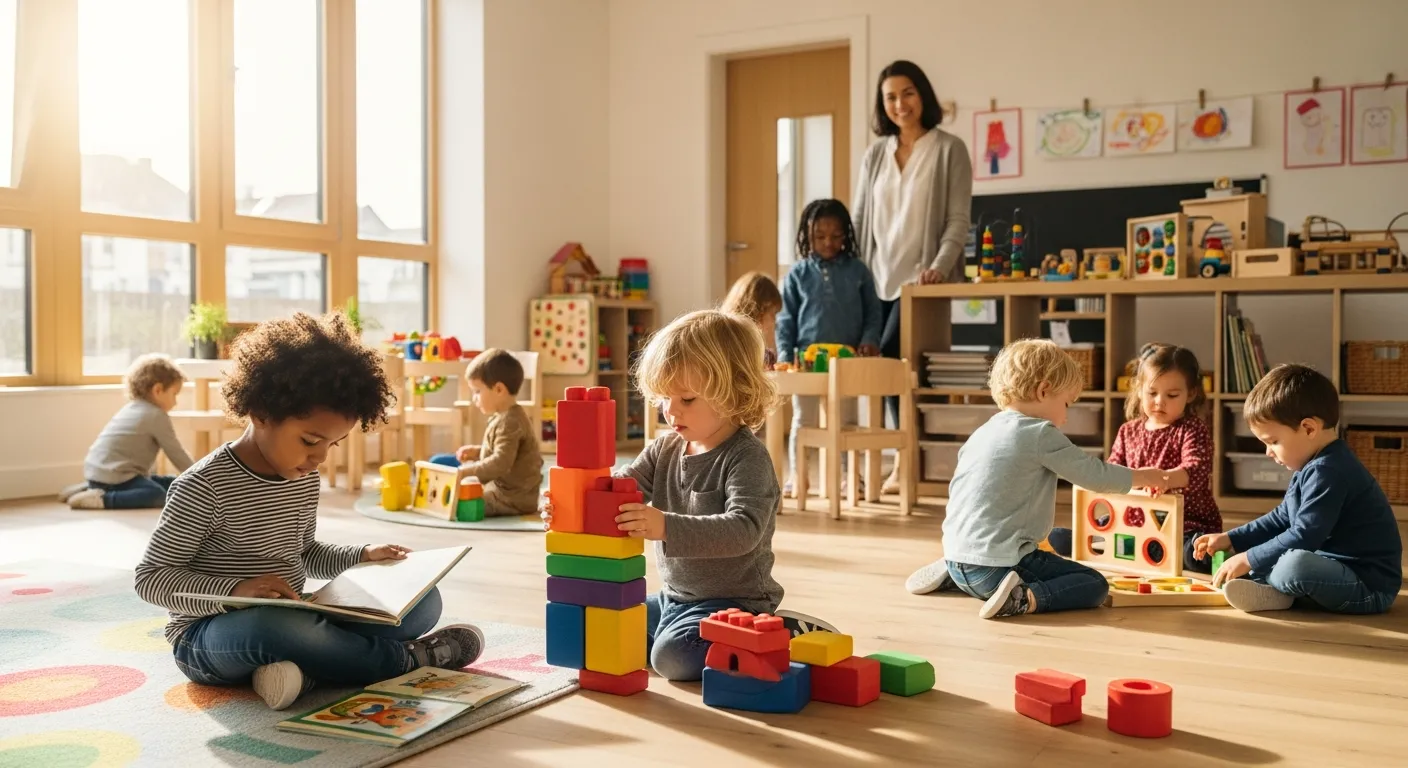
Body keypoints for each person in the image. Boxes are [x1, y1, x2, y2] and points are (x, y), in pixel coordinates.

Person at [134, 312, 483, 711]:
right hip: (210, 635)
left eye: (332, 446)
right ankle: (403, 661)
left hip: (301, 615)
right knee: (275, 627)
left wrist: (362, 557)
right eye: (310, 440)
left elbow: (303, 552)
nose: (318, 458)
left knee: (424, 602)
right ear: (261, 412)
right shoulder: (202, 487)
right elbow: (151, 579)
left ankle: (308, 672)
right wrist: (235, 592)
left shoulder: (303, 477)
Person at [542, 310, 836, 680]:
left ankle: (777, 634)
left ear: (733, 394)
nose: (669, 410)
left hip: (734, 602)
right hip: (674, 598)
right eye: (664, 397)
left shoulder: (747, 457)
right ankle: (678, 635)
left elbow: (744, 530)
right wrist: (567, 503)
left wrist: (664, 525)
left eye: (687, 399)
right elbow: (616, 489)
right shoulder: (664, 449)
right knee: (603, 622)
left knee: (672, 659)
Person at [904, 339, 1170, 618]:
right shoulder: (1039, 433)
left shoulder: (984, 431)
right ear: (1044, 391)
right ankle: (1022, 599)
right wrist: (1143, 476)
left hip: (958, 557)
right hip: (997, 568)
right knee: (1094, 585)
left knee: (1003, 561)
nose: (1066, 417)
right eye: (1066, 404)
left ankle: (954, 575)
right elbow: (1094, 475)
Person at [851, 59, 973, 493]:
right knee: (883, 370)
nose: (899, 103)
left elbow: (958, 219)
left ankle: (912, 463)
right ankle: (905, 460)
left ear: (922, 95)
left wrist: (939, 267)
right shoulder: (874, 155)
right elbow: (861, 220)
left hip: (922, 285)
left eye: (907, 93)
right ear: (882, 105)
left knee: (902, 367)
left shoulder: (948, 148)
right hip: (875, 280)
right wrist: (855, 274)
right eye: (890, 97)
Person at [1196, 364, 1401, 614]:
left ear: (1308, 428)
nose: (1268, 452)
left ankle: (1275, 588)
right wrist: (1232, 539)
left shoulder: (1330, 470)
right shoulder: (1311, 466)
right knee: (1282, 559)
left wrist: (1249, 558)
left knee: (1294, 564)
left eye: (1273, 441)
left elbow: (1305, 535)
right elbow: (1282, 517)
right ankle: (1276, 589)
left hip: (1368, 587)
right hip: (1333, 570)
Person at [1046, 344, 1221, 572]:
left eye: (1172, 395)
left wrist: (1163, 479)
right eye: (1152, 393)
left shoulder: (1192, 429)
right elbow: (1112, 471)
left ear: (1191, 394)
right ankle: (1097, 542)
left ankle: (1186, 553)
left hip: (1184, 523)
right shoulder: (1128, 431)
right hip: (1133, 522)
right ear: (1139, 390)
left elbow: (1195, 470)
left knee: (1192, 548)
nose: (1160, 401)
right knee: (1100, 534)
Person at [775, 198, 883, 497]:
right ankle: (798, 477)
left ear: (846, 236)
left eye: (836, 236)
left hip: (847, 360)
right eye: (820, 237)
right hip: (807, 361)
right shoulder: (797, 274)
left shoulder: (858, 271)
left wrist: (869, 340)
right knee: (803, 420)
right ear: (807, 237)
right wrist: (785, 356)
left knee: (846, 422)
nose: (828, 243)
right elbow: (785, 320)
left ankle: (852, 477)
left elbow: (873, 312)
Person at [62, 353, 194, 510]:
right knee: (156, 494)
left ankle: (90, 488)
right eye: (174, 394)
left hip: (101, 473)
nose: (176, 402)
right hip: (117, 477)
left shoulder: (132, 408)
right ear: (158, 390)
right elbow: (176, 453)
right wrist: (199, 477)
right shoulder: (156, 415)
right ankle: (102, 499)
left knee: (173, 483)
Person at [430, 349, 544, 517]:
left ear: (499, 389)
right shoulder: (505, 416)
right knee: (439, 464)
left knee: (458, 503)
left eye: (477, 391)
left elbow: (500, 463)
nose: (474, 398)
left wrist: (464, 472)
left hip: (511, 499)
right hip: (507, 493)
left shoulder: (510, 422)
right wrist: (477, 452)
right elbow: (504, 452)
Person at [720, 270, 783, 369]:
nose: (774, 321)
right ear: (759, 311)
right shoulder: (733, 350)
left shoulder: (763, 352)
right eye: (772, 314)